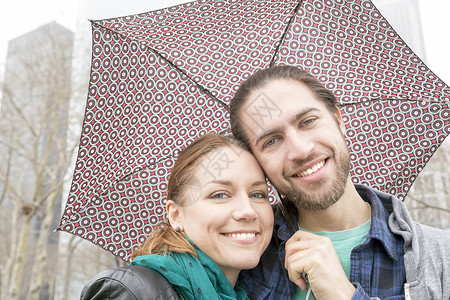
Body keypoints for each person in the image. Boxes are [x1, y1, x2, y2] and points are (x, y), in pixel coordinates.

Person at [229, 65, 450, 299]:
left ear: (338, 119)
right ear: (256, 162)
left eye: (307, 121)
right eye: (271, 141)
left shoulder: (441, 258)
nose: (301, 151)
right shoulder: (241, 258)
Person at [80, 133, 274, 299]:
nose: (248, 211)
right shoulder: (133, 291)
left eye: (257, 194)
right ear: (176, 215)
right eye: (220, 195)